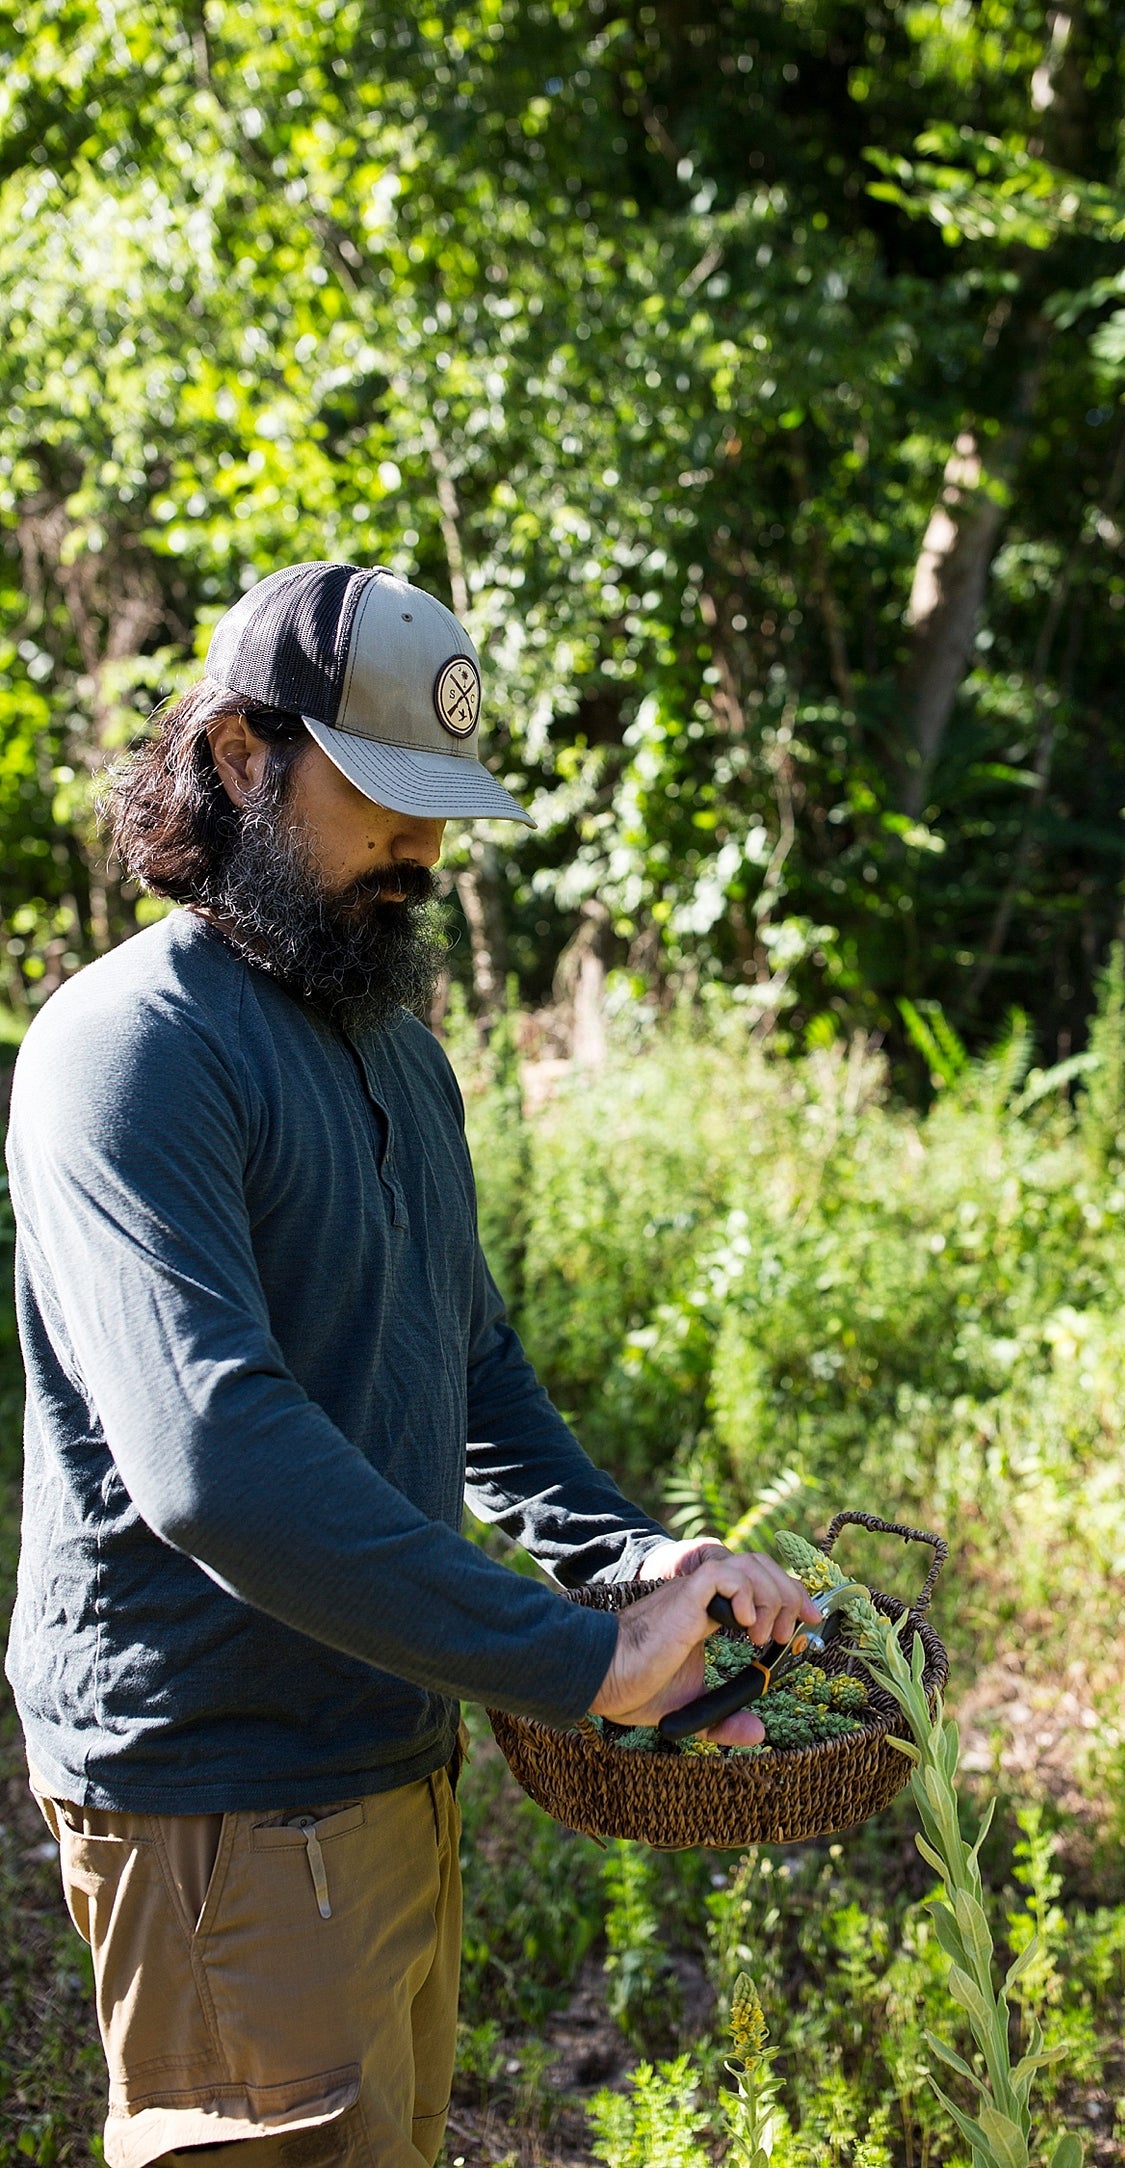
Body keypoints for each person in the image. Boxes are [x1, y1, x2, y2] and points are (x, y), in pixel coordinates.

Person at [5, 561, 816, 2168]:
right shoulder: (129, 1052)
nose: (426, 850)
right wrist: (578, 1662)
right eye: (385, 799)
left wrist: (643, 1564)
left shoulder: (393, 1048)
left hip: (382, 1759)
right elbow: (213, 1464)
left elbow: (474, 1376)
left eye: (444, 809)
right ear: (241, 758)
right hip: (220, 1796)